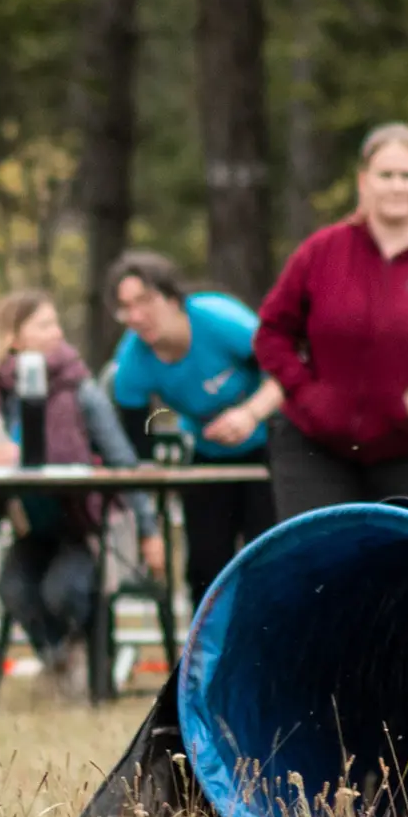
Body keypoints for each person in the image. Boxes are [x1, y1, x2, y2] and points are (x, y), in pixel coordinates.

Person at [253, 122, 408, 517]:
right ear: (363, 182)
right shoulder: (322, 251)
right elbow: (272, 332)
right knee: (321, 561)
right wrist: (306, 391)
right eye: (385, 175)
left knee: (402, 567)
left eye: (407, 176)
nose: (396, 186)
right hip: (315, 445)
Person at [0, 290, 166, 697]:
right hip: (30, 526)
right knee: (15, 589)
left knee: (63, 589)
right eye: (45, 324)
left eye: (57, 323)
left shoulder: (78, 389)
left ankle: (86, 662)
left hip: (88, 523)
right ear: (13, 337)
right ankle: (66, 660)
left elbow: (123, 461)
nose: (58, 333)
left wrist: (149, 529)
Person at [104, 249, 281, 612]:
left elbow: (284, 369)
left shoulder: (217, 319)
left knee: (268, 557)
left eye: (145, 301)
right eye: (126, 308)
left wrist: (250, 414)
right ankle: (205, 659)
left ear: (171, 297)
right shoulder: (133, 362)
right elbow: (138, 445)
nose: (136, 316)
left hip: (272, 447)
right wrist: (147, 521)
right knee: (205, 564)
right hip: (208, 456)